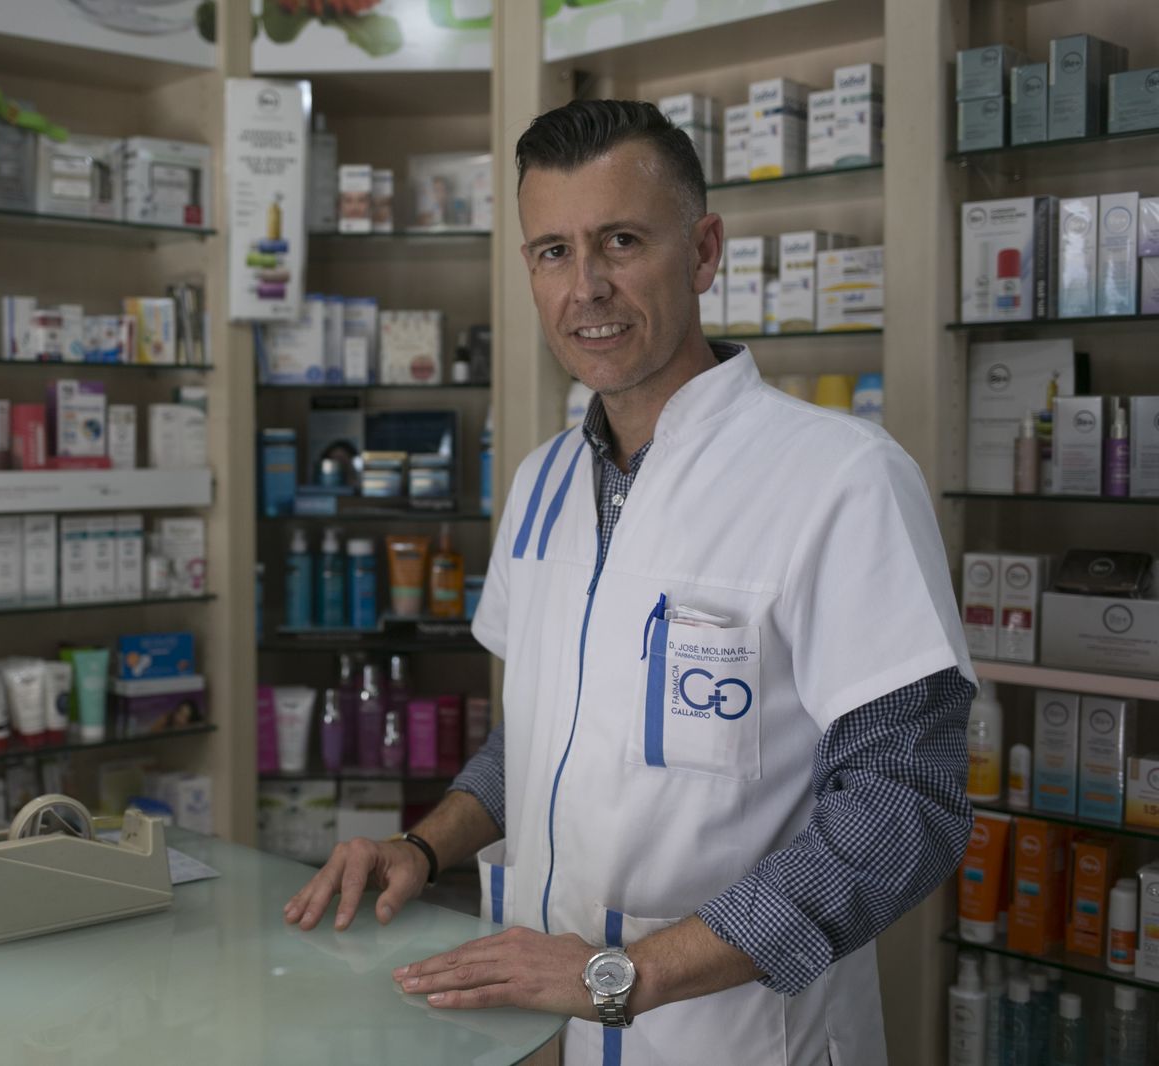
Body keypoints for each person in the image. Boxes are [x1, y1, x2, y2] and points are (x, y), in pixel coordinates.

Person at [282, 99, 974, 1066]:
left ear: (702, 251)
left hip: (738, 1041)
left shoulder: (841, 478)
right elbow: (541, 737)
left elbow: (907, 804)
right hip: (546, 1031)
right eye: (553, 252)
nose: (587, 288)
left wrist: (626, 974)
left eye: (620, 241)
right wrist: (424, 846)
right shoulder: (542, 483)